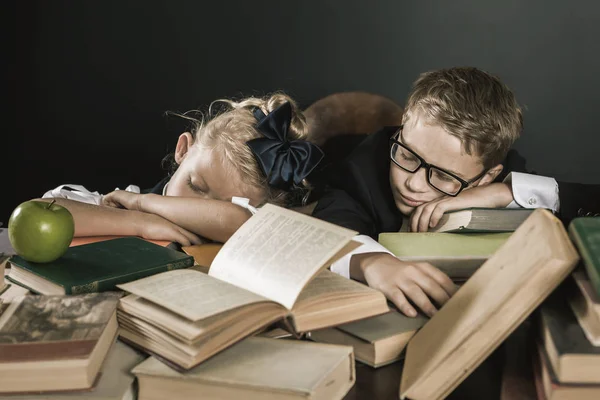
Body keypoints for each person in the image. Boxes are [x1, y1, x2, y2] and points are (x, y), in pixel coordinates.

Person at [312, 67, 600, 318]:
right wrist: (371, 262)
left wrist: (503, 194)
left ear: (484, 177)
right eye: (408, 156)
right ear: (403, 128)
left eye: (442, 176)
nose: (414, 183)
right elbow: (327, 225)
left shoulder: (505, 173)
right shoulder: (364, 164)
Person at [36, 93, 325, 246]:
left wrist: (145, 204)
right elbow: (38, 210)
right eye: (197, 187)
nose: (194, 208)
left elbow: (238, 220)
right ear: (183, 150)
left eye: (218, 208)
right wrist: (140, 220)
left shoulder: (246, 232)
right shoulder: (123, 203)